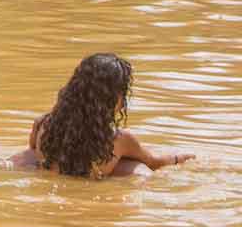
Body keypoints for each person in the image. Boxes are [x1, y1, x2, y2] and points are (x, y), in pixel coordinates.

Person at [18, 53, 194, 177]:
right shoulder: (119, 139)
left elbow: (32, 152)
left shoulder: (42, 123)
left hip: (52, 178)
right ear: (114, 98)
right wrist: (181, 157)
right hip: (93, 186)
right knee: (140, 169)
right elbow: (155, 162)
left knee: (27, 157)